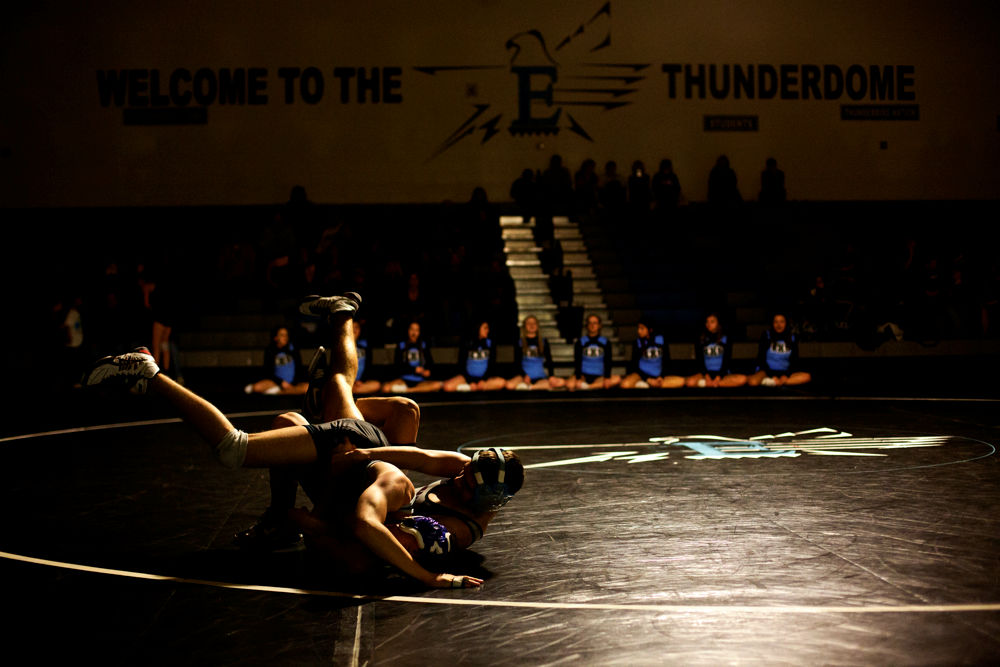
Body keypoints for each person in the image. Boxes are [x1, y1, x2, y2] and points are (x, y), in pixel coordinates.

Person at [83, 293, 518, 589]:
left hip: (347, 471)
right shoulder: (406, 492)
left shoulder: (456, 525)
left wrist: (302, 519)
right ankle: (148, 371)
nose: (458, 475)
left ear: (486, 500)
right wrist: (427, 579)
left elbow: (363, 535)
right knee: (236, 448)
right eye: (463, 470)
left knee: (310, 404)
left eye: (464, 481)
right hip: (351, 448)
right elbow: (381, 503)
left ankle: (338, 331)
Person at [747, 313, 812, 386]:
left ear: (786, 323)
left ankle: (775, 382)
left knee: (807, 377)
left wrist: (786, 375)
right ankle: (773, 381)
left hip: (785, 372)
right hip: (767, 371)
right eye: (776, 322)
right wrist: (771, 375)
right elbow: (761, 358)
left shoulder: (792, 337)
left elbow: (795, 361)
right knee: (753, 381)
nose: (779, 325)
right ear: (772, 323)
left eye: (782, 322)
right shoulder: (766, 335)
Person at [685, 313, 747, 388]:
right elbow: (700, 361)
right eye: (707, 322)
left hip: (722, 374)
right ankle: (709, 383)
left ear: (718, 323)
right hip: (705, 374)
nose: (708, 324)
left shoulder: (725, 339)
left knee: (742, 379)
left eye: (712, 322)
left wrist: (718, 377)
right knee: (689, 382)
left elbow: (726, 361)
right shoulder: (701, 340)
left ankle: (713, 384)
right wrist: (706, 376)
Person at [244, 325, 310, 395]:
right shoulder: (270, 350)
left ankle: (278, 392)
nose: (285, 337)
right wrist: (281, 382)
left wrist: (292, 383)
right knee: (256, 387)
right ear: (276, 337)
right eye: (282, 335)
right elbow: (268, 371)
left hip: (292, 383)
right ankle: (277, 389)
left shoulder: (293, 349)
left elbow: (299, 368)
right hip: (276, 382)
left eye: (286, 335)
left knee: (307, 388)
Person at [505, 314, 565, 390]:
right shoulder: (519, 342)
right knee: (509, 385)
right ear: (524, 326)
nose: (531, 325)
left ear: (537, 326)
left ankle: (530, 387)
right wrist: (524, 376)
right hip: (524, 376)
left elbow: (549, 360)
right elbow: (517, 363)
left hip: (539, 376)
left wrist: (551, 376)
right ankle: (525, 385)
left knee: (560, 382)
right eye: (529, 323)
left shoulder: (543, 342)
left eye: (534, 323)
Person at [443, 321, 506, 392]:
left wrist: (483, 380)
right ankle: (470, 387)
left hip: (484, 379)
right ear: (478, 328)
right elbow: (461, 364)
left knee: (502, 382)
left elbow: (492, 365)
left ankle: (478, 387)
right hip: (467, 378)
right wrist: (470, 381)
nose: (488, 330)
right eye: (485, 328)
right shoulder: (467, 342)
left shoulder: (490, 343)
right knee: (447, 386)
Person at [382, 320, 442, 393]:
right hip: (404, 380)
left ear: (419, 332)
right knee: (386, 388)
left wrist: (428, 371)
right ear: (408, 330)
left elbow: (430, 364)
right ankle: (407, 389)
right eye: (412, 329)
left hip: (420, 381)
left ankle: (409, 390)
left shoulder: (423, 345)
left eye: (416, 330)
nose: (414, 333)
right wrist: (414, 370)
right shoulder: (401, 345)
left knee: (437, 385)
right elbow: (397, 367)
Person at [620, 321, 684, 389]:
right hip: (642, 375)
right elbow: (634, 366)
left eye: (642, 329)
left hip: (658, 376)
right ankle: (645, 383)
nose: (639, 331)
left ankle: (650, 385)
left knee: (681, 381)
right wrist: (648, 379)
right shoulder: (637, 343)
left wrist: (661, 377)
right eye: (638, 328)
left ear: (650, 330)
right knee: (625, 384)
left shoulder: (661, 340)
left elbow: (667, 361)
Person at [566, 313, 620, 390]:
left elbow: (608, 361)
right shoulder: (581, 342)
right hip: (583, 375)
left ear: (599, 325)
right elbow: (577, 361)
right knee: (569, 385)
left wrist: (607, 377)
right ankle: (590, 385)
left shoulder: (605, 342)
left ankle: (588, 387)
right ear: (587, 325)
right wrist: (578, 378)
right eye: (590, 323)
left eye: (595, 323)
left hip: (599, 376)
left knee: (617, 379)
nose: (592, 325)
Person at [351, 320, 381, 394]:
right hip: (348, 382)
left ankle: (354, 391)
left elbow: (368, 366)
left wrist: (362, 380)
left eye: (356, 327)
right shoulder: (343, 347)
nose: (354, 330)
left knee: (377, 385)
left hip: (361, 383)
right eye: (352, 327)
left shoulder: (364, 346)